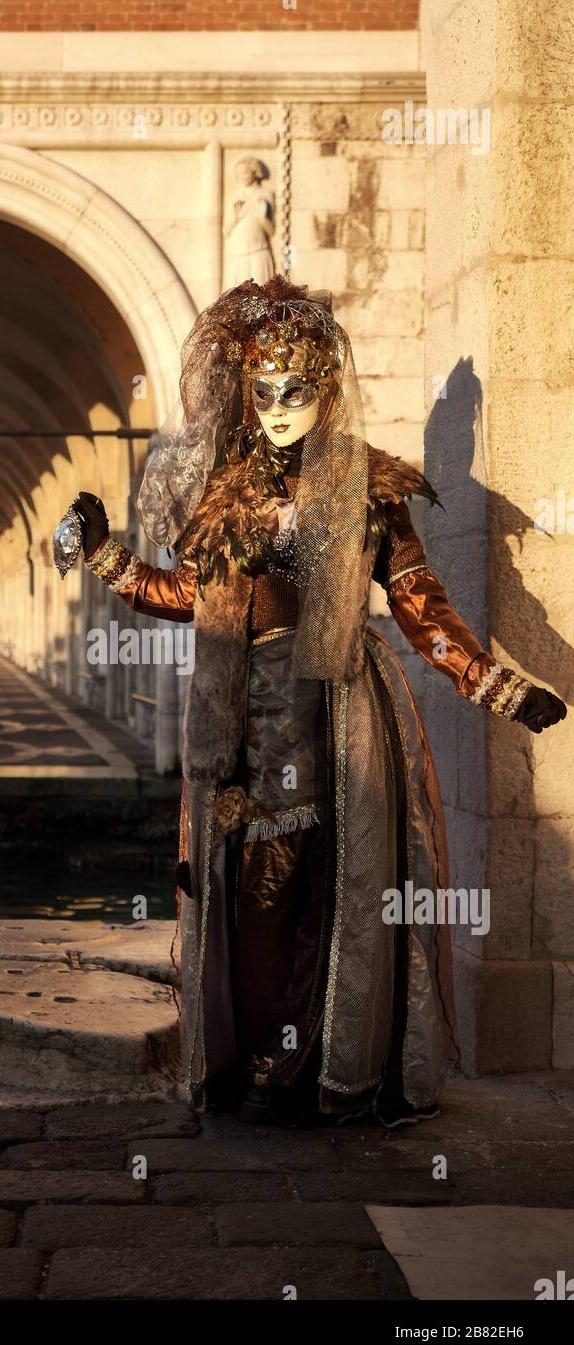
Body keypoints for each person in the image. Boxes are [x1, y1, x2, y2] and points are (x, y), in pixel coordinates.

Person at [70, 275, 566, 1129]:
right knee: (246, 890)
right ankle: (258, 1058)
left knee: (326, 888)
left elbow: (420, 605)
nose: (276, 406)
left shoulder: (369, 490)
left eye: (295, 388)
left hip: (335, 713)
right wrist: (107, 554)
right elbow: (189, 592)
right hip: (239, 715)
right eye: (262, 389)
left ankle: (315, 1066)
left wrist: (497, 685)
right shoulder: (227, 493)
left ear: (326, 387)